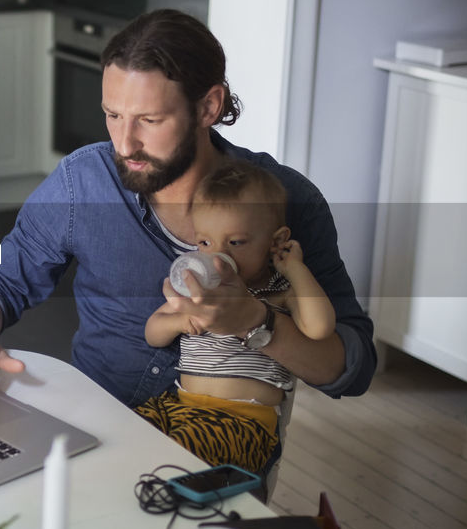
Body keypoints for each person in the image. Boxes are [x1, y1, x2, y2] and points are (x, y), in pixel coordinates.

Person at [0, 8, 374, 418]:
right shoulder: (82, 181)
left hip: (219, 453)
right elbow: (2, 280)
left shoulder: (288, 199)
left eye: (150, 120)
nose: (125, 144)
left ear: (208, 107)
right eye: (113, 115)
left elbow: (351, 370)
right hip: (99, 426)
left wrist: (257, 325)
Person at [134, 158, 335, 473]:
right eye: (205, 242)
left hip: (242, 422)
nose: (217, 255)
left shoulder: (280, 290)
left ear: (277, 241)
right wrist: (177, 321)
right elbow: (153, 331)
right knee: (125, 433)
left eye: (236, 242)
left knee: (175, 459)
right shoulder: (196, 288)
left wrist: (295, 269)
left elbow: (320, 328)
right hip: (180, 407)